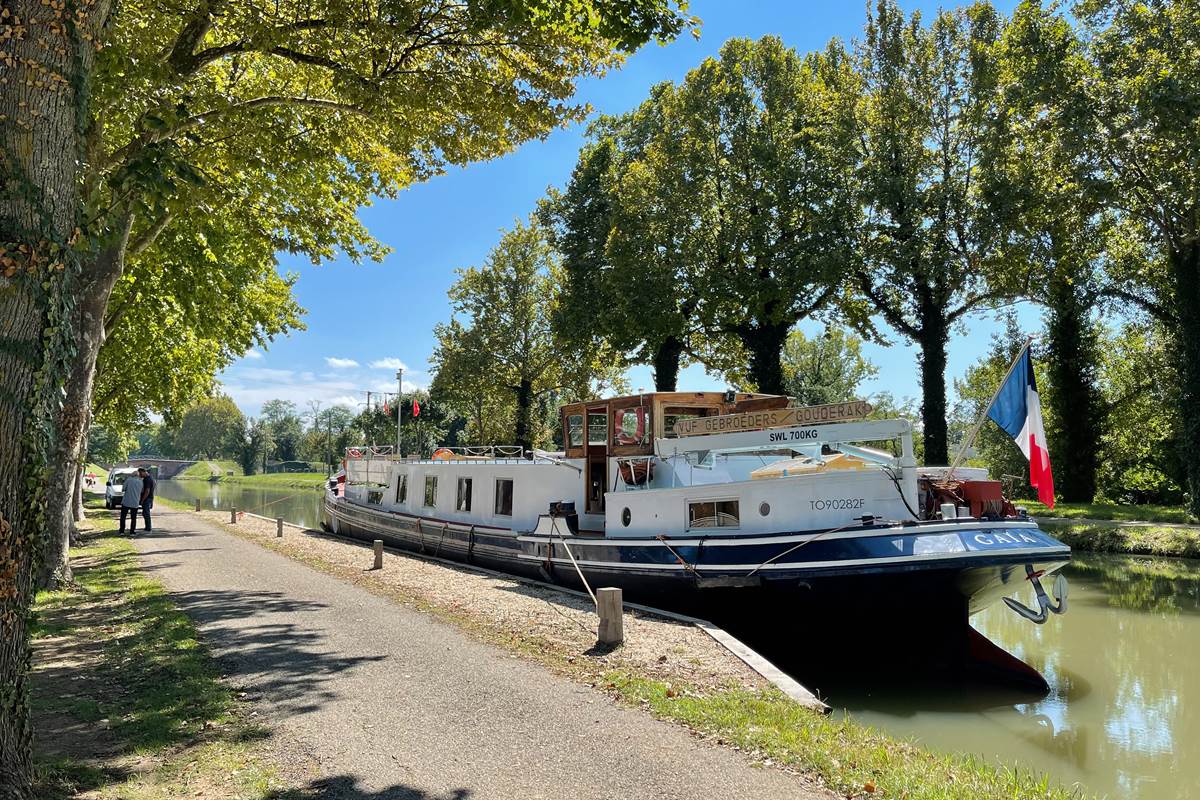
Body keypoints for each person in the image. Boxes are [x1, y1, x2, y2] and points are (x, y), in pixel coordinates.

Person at [119, 469, 144, 535]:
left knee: (123, 517)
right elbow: (141, 491)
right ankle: (132, 532)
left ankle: (122, 531)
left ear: (132, 475)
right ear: (138, 475)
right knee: (133, 518)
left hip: (126, 501)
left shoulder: (128, 480)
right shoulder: (141, 482)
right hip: (135, 502)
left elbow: (123, 489)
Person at [137, 466, 156, 532]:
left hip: (147, 499)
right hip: (150, 498)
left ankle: (148, 528)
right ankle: (147, 527)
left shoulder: (147, 479)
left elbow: (147, 491)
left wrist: (142, 500)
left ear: (143, 472)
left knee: (146, 513)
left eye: (140, 473)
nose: (139, 475)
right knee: (145, 513)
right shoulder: (151, 478)